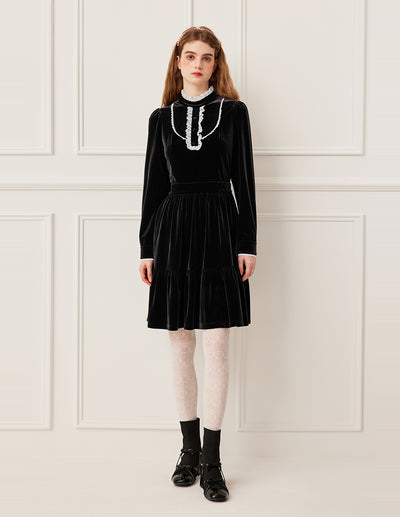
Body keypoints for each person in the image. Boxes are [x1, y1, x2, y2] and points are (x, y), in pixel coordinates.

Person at [138, 26, 257, 503]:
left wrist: (247, 244)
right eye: (190, 56)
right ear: (178, 61)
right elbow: (152, 187)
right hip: (173, 233)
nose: (198, 64)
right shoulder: (160, 118)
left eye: (206, 57)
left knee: (218, 345)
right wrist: (147, 248)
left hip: (220, 230)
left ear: (216, 64)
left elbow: (245, 181)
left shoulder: (234, 113)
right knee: (181, 345)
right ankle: (187, 452)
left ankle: (212, 460)